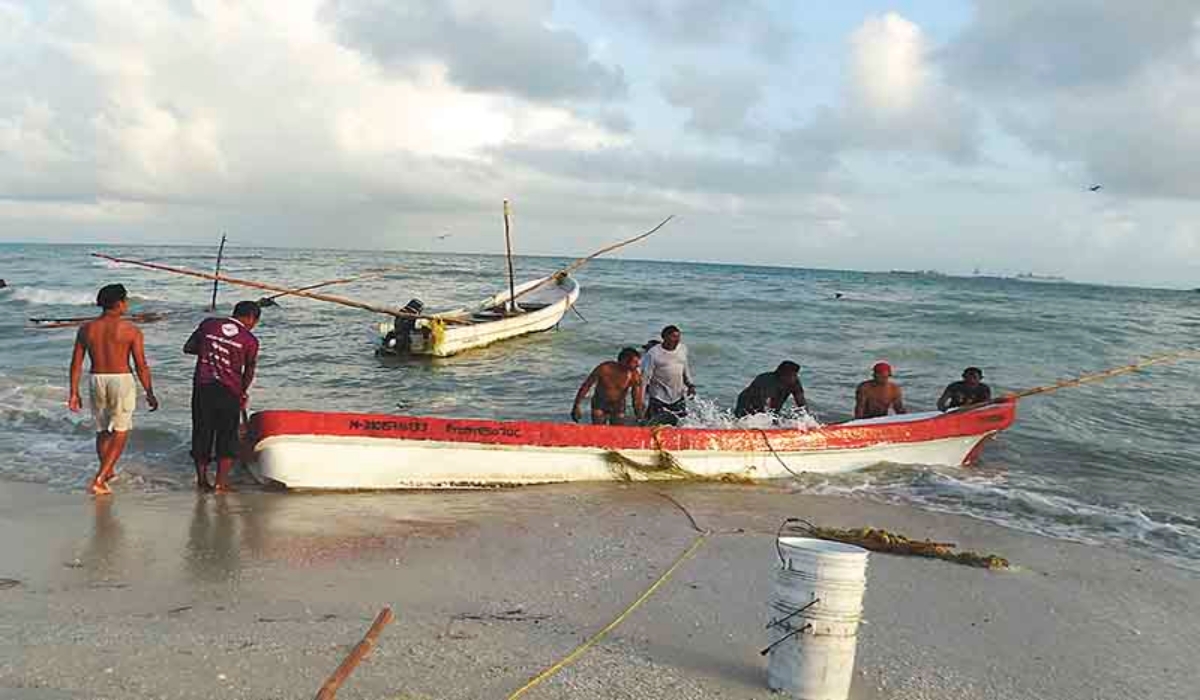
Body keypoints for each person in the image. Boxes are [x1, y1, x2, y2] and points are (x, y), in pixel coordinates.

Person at [67, 284, 158, 495]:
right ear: (119, 303)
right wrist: (149, 392)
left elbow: (76, 364)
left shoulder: (86, 329)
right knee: (121, 430)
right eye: (126, 301)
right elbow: (141, 365)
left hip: (96, 379)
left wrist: (74, 392)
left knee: (102, 430)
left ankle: (107, 471)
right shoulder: (131, 330)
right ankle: (100, 477)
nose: (127, 304)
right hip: (121, 380)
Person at [185, 300, 261, 493]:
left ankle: (202, 481)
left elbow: (188, 347)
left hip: (203, 387)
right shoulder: (250, 340)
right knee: (227, 436)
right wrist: (243, 391)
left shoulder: (209, 324)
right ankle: (220, 483)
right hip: (230, 390)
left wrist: (211, 349)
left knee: (202, 431)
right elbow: (249, 369)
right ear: (252, 318)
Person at [571, 347, 645, 425]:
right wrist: (576, 406)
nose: (638, 365)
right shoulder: (605, 368)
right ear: (624, 361)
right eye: (635, 362)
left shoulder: (634, 375)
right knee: (599, 430)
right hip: (600, 403)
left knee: (617, 432)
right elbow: (586, 386)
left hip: (618, 405)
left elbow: (636, 400)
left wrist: (639, 417)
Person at [641, 325, 695, 425]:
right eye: (674, 337)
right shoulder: (653, 354)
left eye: (678, 337)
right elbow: (644, 378)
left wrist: (690, 385)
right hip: (658, 397)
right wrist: (641, 400)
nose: (677, 340)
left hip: (678, 396)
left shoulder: (682, 349)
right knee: (655, 425)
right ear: (664, 337)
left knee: (681, 424)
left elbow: (685, 368)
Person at [735, 361, 806, 418]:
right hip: (746, 402)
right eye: (792, 375)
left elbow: (801, 402)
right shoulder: (766, 380)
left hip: (770, 404)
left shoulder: (794, 382)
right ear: (782, 375)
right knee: (745, 417)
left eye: (795, 375)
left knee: (774, 415)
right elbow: (762, 403)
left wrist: (807, 419)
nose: (795, 377)